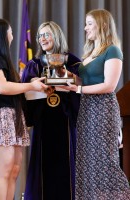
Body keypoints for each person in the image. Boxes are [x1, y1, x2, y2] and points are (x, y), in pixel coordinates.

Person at [0, 18, 48, 200]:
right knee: (4, 170)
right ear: (2, 34)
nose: (13, 36)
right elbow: (2, 87)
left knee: (14, 170)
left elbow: (11, 86)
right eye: (11, 31)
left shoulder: (0, 59)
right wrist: (31, 87)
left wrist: (30, 83)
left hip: (11, 116)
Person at [61, 9, 130, 199]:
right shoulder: (90, 52)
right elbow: (84, 81)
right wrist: (65, 76)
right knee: (87, 161)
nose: (85, 28)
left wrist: (78, 90)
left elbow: (109, 85)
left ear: (103, 25)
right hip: (87, 110)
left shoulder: (112, 50)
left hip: (103, 110)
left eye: (89, 23)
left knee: (105, 162)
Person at [21, 21, 81, 200]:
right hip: (43, 122)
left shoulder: (72, 62)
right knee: (42, 169)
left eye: (47, 34)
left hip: (66, 121)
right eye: (40, 36)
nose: (42, 38)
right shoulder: (33, 65)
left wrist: (68, 80)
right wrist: (37, 85)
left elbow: (84, 88)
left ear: (57, 35)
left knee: (67, 168)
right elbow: (25, 93)